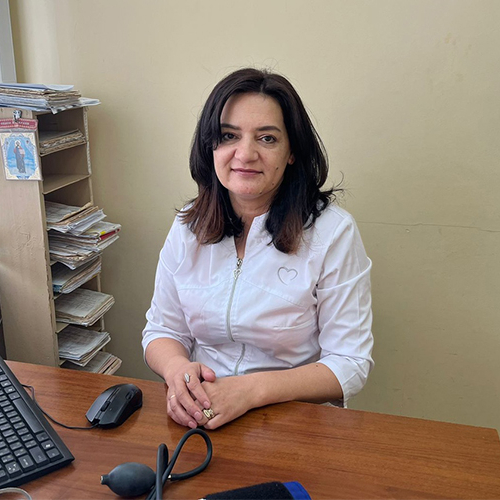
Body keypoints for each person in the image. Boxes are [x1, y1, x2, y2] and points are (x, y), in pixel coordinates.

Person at [142, 68, 373, 430]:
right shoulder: (188, 226)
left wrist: (248, 391)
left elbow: (349, 363)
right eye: (228, 136)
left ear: (291, 151)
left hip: (293, 421)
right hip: (202, 413)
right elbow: (162, 330)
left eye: (267, 138)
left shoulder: (333, 232)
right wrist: (178, 371)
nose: (245, 154)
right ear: (210, 146)